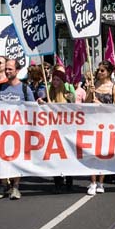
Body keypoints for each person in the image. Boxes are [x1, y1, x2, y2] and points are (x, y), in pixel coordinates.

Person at [0, 58, 43, 200]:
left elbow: (32, 108)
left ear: (17, 71)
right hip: (1, 131)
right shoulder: (0, 87)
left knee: (16, 159)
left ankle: (15, 187)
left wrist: (40, 104)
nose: (7, 71)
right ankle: (2, 185)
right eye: (6, 69)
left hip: (18, 131)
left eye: (10, 69)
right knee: (1, 158)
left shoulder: (25, 89)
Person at [83, 61, 115, 196]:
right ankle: (93, 182)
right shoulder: (94, 86)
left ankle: (101, 181)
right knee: (92, 154)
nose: (99, 73)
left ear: (109, 72)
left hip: (107, 126)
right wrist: (89, 93)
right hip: (92, 124)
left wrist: (100, 104)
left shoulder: (113, 88)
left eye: (102, 71)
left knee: (103, 155)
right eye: (98, 70)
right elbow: (85, 104)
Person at [47, 65, 77, 194]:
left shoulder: (68, 95)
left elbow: (74, 109)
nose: (55, 82)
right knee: (55, 157)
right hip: (53, 131)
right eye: (54, 79)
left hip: (66, 131)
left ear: (63, 81)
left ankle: (69, 181)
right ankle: (57, 182)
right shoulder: (49, 94)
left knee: (67, 157)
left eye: (58, 80)